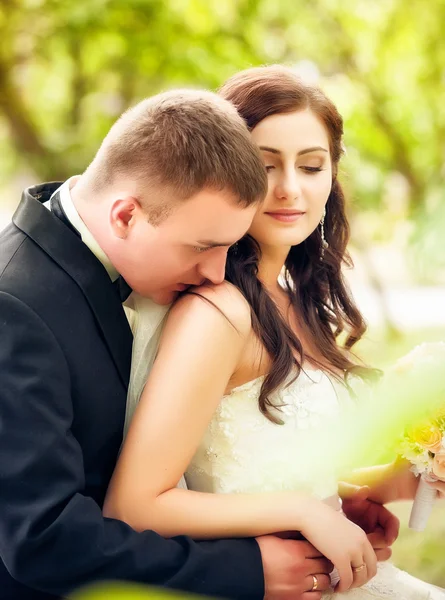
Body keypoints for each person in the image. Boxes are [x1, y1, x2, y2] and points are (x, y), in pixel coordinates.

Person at [104, 67, 445, 599]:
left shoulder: (292, 298)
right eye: (266, 166)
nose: (290, 189)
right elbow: (135, 504)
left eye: (312, 165)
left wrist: (394, 479)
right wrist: (303, 512)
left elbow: (278, 467)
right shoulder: (217, 312)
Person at [0, 88, 309, 600]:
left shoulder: (142, 271)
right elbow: (43, 538)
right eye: (204, 248)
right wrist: (245, 570)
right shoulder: (15, 305)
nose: (215, 274)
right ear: (125, 216)